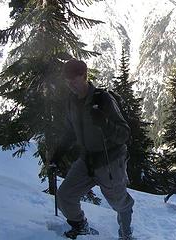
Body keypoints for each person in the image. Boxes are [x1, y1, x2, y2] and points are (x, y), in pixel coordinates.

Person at [51, 59, 134, 240]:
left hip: (110, 161)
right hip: (86, 160)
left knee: (120, 203)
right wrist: (58, 155)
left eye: (73, 79)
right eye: (67, 79)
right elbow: (70, 131)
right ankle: (80, 225)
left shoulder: (103, 99)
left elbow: (124, 134)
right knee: (65, 195)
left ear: (84, 76)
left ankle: (126, 234)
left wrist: (105, 123)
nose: (70, 83)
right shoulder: (71, 102)